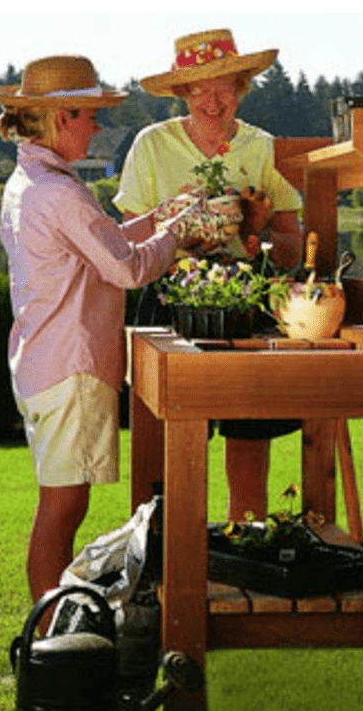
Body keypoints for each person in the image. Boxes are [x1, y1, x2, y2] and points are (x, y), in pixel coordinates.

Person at [0, 55, 208, 625]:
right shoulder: (58, 192)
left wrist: (162, 216)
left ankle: (53, 632)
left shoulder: (33, 183)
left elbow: (105, 244)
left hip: (45, 362)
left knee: (61, 504)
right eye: (91, 116)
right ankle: (50, 638)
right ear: (62, 117)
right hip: (71, 367)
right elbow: (131, 269)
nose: (98, 127)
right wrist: (178, 232)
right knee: (63, 508)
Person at [114, 29, 304, 522]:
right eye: (199, 88)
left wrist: (258, 232)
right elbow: (125, 244)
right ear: (182, 93)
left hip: (246, 305)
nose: (213, 100)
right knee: (174, 443)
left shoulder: (265, 150)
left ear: (242, 87)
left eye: (224, 86)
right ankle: (168, 556)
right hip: (170, 301)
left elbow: (291, 248)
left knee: (248, 438)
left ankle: (247, 542)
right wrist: (175, 235)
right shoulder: (152, 145)